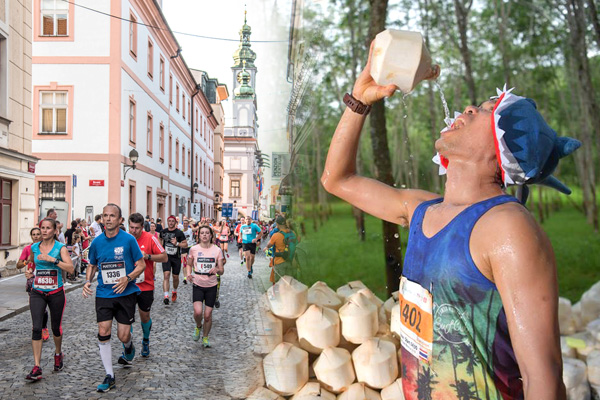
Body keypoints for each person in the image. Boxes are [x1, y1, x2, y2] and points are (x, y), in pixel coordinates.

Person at [321, 43, 581, 399]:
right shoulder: (422, 210)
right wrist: (359, 98)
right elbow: (337, 180)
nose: (470, 107)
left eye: (488, 110)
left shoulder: (506, 228)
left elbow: (543, 379)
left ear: (503, 151)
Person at [82, 204, 145, 392]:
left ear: (120, 220)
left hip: (125, 293)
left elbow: (140, 265)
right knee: (103, 330)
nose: (108, 219)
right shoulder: (96, 242)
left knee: (123, 334)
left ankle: (128, 345)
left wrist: (128, 278)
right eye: (105, 216)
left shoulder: (129, 240)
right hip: (104, 293)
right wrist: (87, 281)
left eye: (112, 216)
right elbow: (92, 265)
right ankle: (109, 375)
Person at [24, 218, 74, 380]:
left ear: (54, 231)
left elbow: (71, 268)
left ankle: (58, 353)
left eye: (47, 228)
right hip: (37, 292)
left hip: (56, 292)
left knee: (55, 328)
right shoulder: (34, 247)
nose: (44, 231)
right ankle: (37, 366)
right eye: (42, 228)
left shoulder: (60, 248)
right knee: (37, 327)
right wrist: (29, 272)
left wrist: (54, 260)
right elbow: (31, 263)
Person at [128, 213, 167, 357]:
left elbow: (164, 256)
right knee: (127, 318)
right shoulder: (125, 239)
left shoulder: (150, 238)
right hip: (128, 285)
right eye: (131, 227)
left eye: (137, 228)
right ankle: (128, 346)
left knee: (144, 317)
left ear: (142, 227)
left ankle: (145, 340)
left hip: (145, 285)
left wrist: (148, 256)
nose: (133, 231)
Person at [186, 225, 224, 348]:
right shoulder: (194, 249)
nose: (204, 235)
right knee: (198, 313)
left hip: (211, 285)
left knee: (207, 315)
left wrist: (217, 269)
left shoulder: (217, 250)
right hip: (198, 283)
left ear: (211, 235)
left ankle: (205, 337)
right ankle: (198, 326)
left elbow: (222, 270)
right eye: (202, 233)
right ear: (199, 235)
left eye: (207, 233)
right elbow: (189, 264)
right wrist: (188, 274)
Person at [17, 227, 50, 342]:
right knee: (34, 307)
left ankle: (44, 327)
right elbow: (18, 265)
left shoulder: (46, 248)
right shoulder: (28, 249)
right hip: (32, 280)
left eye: (37, 234)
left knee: (44, 308)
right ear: (31, 236)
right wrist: (28, 261)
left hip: (45, 279)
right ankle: (36, 327)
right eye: (33, 234)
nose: (36, 236)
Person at [159, 215, 187, 304]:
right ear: (167, 222)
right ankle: (166, 296)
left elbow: (185, 245)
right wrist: (160, 248)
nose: (171, 223)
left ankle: (174, 291)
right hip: (166, 257)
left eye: (172, 221)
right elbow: (160, 240)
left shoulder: (179, 233)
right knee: (166, 275)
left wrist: (177, 243)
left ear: (175, 222)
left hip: (176, 258)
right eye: (169, 221)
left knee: (175, 277)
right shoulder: (163, 232)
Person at [267, 215, 299, 283]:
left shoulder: (276, 235)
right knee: (289, 284)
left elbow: (268, 245)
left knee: (280, 284)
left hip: (279, 262)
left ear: (277, 224)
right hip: (290, 261)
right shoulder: (292, 233)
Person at [181, 218, 195, 285]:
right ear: (183, 224)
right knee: (184, 263)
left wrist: (192, 224)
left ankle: (189, 274)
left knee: (190, 263)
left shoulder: (190, 230)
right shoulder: (181, 231)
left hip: (190, 247)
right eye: (184, 224)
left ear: (188, 224)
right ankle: (185, 278)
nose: (185, 225)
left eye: (187, 224)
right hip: (184, 247)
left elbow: (196, 229)